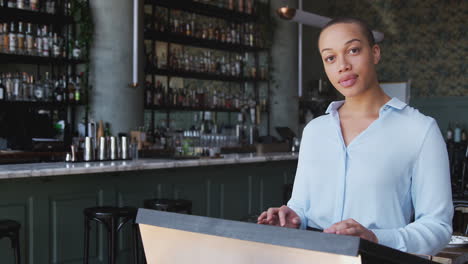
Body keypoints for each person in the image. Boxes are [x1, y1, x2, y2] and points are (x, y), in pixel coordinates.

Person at [257, 17, 453, 255]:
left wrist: (375, 239)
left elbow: (438, 227)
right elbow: (300, 205)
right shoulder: (315, 131)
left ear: (375, 53)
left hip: (378, 260)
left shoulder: (420, 130)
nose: (343, 65)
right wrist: (293, 217)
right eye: (330, 57)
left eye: (353, 50)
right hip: (313, 257)